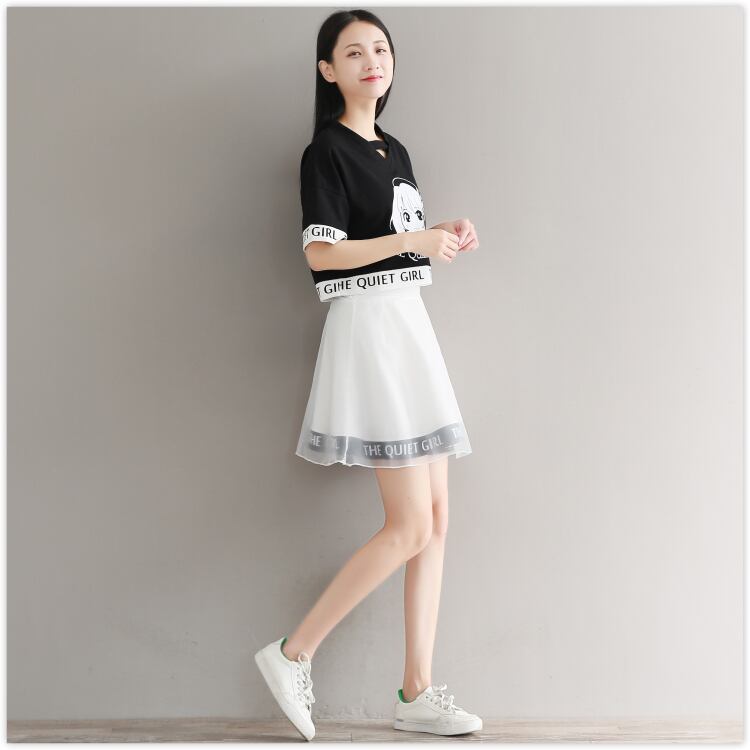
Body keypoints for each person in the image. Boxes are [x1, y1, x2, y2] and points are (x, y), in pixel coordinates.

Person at [254, 9, 481, 740]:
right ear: (328, 70)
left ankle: (416, 691)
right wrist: (414, 238)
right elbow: (322, 255)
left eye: (380, 48)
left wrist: (440, 235)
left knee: (436, 520)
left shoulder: (395, 148)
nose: (371, 60)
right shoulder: (325, 151)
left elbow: (397, 241)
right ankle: (293, 652)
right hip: (372, 330)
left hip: (408, 320)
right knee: (409, 524)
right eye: (352, 52)